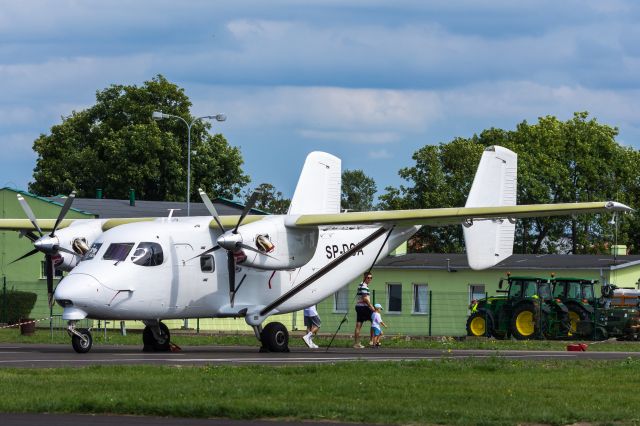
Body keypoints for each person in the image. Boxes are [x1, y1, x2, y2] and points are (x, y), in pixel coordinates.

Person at [353, 271, 375, 348]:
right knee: (375, 319)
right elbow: (365, 298)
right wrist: (371, 306)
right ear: (364, 277)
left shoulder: (363, 285)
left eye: (371, 278)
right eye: (368, 278)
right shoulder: (363, 286)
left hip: (359, 307)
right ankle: (371, 341)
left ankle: (356, 343)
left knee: (359, 325)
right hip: (363, 307)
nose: (369, 279)